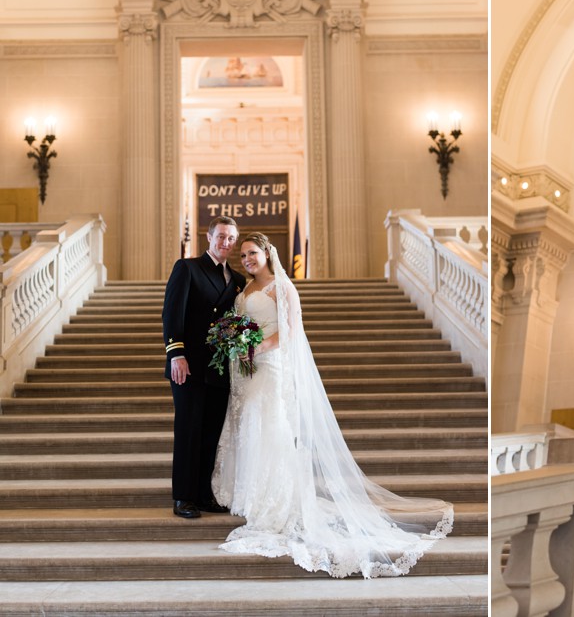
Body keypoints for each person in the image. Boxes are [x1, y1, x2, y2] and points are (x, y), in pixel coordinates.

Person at [211, 233, 453, 577]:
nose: (247, 259)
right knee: (250, 427)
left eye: (252, 253)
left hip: (271, 367)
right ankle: (252, 495)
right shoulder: (244, 290)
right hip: (246, 371)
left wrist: (258, 348)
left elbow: (291, 330)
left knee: (270, 426)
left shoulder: (282, 286)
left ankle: (274, 500)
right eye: (243, 254)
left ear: (266, 253)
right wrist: (237, 343)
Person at [162, 215, 246, 519]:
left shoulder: (237, 280)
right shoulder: (187, 268)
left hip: (220, 367)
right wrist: (176, 354)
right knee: (188, 429)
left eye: (231, 238)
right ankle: (183, 497)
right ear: (209, 238)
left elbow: (235, 324)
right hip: (190, 364)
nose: (226, 242)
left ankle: (202, 494)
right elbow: (172, 313)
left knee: (211, 432)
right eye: (221, 236)